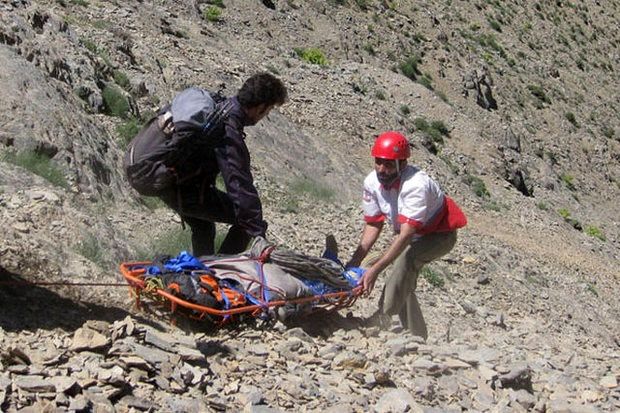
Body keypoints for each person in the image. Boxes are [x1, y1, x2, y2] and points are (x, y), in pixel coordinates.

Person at [149, 73, 287, 256]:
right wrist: (257, 231)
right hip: (185, 190)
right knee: (245, 220)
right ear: (261, 107)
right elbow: (238, 183)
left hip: (169, 182)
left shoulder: (219, 107)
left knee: (203, 226)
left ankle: (201, 273)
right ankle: (219, 272)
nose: (265, 116)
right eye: (268, 111)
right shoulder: (226, 129)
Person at [346, 131, 467, 339]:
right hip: (411, 234)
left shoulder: (416, 185)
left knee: (406, 261)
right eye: (378, 162)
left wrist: (374, 270)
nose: (382, 170)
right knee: (402, 279)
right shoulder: (372, 183)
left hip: (439, 235)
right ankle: (417, 334)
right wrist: (354, 261)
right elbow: (374, 224)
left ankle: (382, 317)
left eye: (389, 164)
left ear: (402, 164)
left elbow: (405, 236)